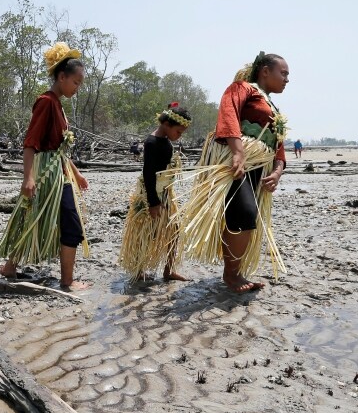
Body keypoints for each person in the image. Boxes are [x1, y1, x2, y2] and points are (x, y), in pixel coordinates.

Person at [180, 52, 289, 293]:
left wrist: (278, 171)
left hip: (260, 168)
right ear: (265, 71)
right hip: (238, 163)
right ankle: (231, 275)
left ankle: (235, 272)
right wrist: (238, 152)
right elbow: (228, 112)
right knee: (243, 214)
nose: (287, 79)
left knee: (245, 218)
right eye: (283, 73)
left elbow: (278, 146)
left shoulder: (274, 108)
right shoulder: (243, 88)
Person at [0, 42, 90, 290]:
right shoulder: (46, 102)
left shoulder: (56, 104)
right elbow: (31, 143)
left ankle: (9, 267)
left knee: (34, 217)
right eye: (76, 82)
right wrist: (28, 178)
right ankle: (67, 282)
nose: (77, 88)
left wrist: (77, 173)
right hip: (47, 174)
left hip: (59, 172)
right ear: (62, 77)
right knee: (70, 223)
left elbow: (58, 149)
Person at [118, 102, 191, 282]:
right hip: (152, 195)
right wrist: (153, 202)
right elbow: (148, 172)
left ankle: (169, 270)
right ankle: (138, 270)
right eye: (178, 132)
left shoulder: (165, 139)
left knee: (174, 231)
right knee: (146, 233)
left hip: (165, 194)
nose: (179, 136)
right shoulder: (151, 142)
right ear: (167, 125)